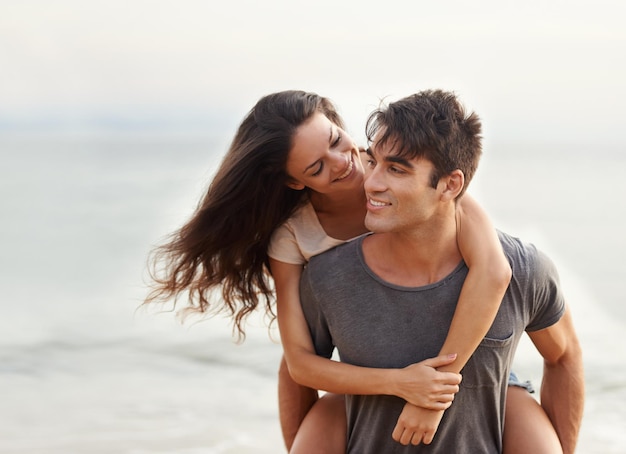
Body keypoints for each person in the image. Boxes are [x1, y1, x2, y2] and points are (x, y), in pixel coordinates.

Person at [143, 90, 557, 453]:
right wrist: (399, 384)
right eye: (316, 168)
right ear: (293, 183)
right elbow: (300, 365)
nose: (346, 165)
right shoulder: (295, 237)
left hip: (464, 361)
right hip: (369, 367)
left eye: (338, 141)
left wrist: (428, 394)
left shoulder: (403, 175)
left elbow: (492, 271)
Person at [298, 89, 585, 453]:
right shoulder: (329, 277)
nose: (371, 183)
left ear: (450, 185)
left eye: (397, 169)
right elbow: (299, 371)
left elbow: (563, 356)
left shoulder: (525, 271)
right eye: (374, 162)